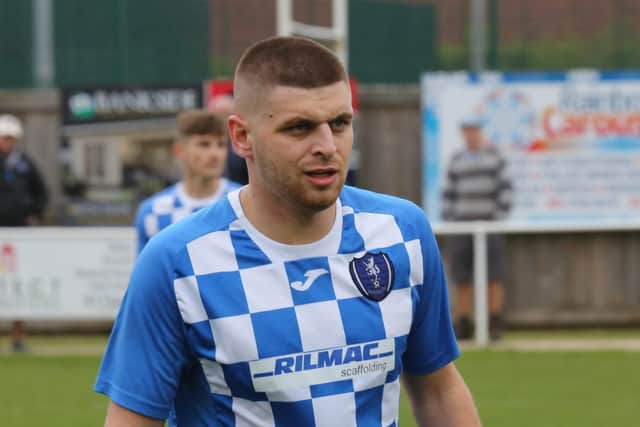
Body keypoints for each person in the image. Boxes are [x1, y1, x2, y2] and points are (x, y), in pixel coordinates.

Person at [95, 36, 482, 426]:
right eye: (300, 128)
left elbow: (439, 390)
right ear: (242, 137)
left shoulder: (402, 233)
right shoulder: (176, 263)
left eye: (340, 123)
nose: (328, 145)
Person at [441, 116, 513, 341]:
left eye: (474, 130)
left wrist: (496, 216)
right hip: (462, 225)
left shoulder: (495, 158)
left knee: (493, 275)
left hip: (488, 224)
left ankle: (494, 322)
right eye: (467, 130)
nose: (470, 134)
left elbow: (506, 189)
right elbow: (448, 194)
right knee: (461, 276)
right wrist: (452, 218)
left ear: (480, 132)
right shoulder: (456, 160)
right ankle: (463, 322)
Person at [133, 109, 242, 253]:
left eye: (221, 145)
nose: (215, 154)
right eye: (204, 144)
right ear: (179, 150)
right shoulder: (153, 212)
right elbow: (148, 274)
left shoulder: (243, 203)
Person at [0, 114, 48, 353]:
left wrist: (34, 214)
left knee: (18, 284)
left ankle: (18, 336)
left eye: (9, 138)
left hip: (20, 236)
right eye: (2, 138)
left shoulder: (25, 164)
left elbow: (41, 193)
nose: (5, 143)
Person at [209, 91, 250, 185]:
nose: (221, 119)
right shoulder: (203, 142)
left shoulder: (246, 141)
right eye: (216, 115)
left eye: (226, 114)